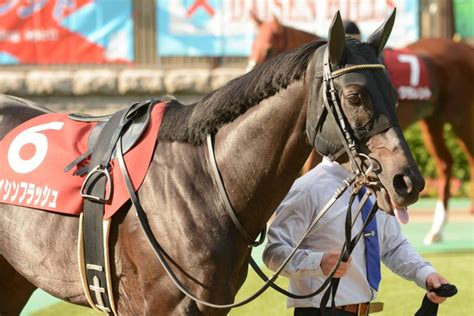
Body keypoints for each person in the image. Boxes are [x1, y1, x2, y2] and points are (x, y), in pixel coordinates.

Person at [262, 157, 450, 316]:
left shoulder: (377, 186)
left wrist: (426, 274)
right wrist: (318, 263)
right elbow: (274, 253)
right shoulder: (307, 189)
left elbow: (393, 246)